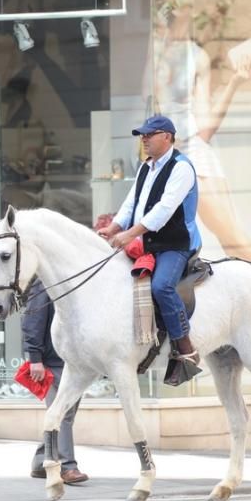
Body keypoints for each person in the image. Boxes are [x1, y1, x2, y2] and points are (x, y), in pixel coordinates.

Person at [149, 0, 251, 269]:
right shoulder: (152, 48)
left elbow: (204, 129)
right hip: (169, 155)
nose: (187, 10)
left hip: (192, 152)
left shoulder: (197, 57)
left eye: (188, 4)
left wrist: (234, 83)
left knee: (232, 239)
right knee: (231, 241)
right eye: (179, 2)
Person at [97, 114, 203, 386]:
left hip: (175, 245)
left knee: (161, 287)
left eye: (149, 134)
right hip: (148, 243)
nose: (143, 139)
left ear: (167, 136)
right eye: (142, 135)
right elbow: (132, 203)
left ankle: (186, 348)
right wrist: (114, 227)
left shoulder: (182, 168)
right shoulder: (147, 167)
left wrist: (129, 234)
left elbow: (163, 212)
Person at [23, 278, 89, 484]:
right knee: (63, 415)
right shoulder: (45, 283)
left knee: (61, 414)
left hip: (72, 361)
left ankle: (41, 460)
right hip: (53, 362)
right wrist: (35, 358)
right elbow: (33, 318)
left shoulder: (72, 279)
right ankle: (67, 467)